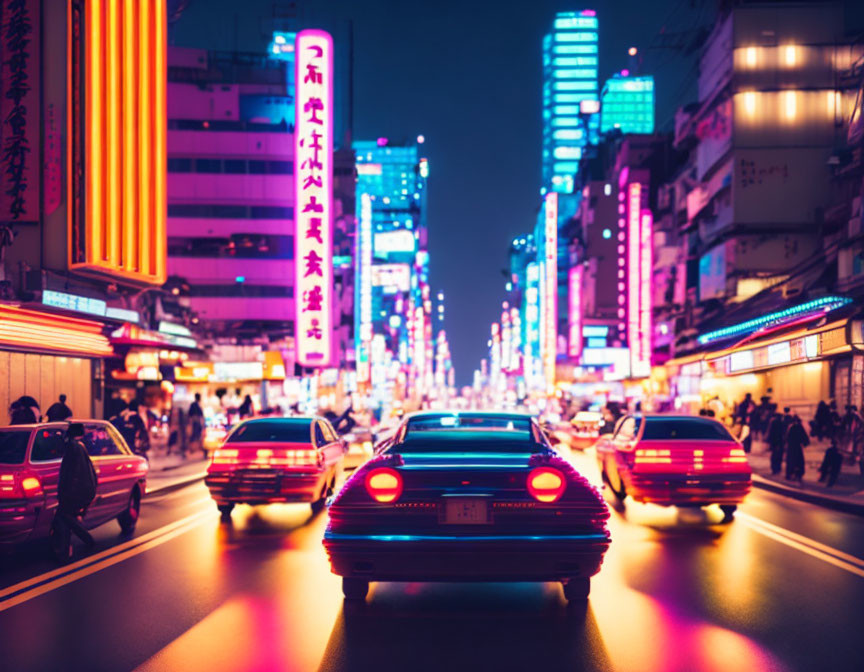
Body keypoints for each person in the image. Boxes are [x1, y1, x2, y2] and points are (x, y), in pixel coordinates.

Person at [52, 423, 97, 559]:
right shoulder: (80, 446)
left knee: (63, 515)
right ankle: (67, 549)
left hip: (74, 492)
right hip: (84, 491)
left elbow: (73, 474)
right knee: (65, 517)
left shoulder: (73, 446)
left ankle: (83, 542)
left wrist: (64, 495)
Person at [785, 415, 809, 483]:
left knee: (791, 461)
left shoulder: (791, 428)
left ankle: (790, 474)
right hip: (797, 447)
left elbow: (787, 438)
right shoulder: (799, 427)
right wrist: (804, 443)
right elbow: (805, 438)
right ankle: (798, 474)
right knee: (798, 461)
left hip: (792, 447)